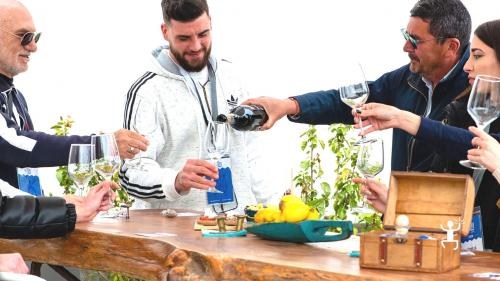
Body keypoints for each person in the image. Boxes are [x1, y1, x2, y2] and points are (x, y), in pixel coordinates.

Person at [244, 0, 471, 173]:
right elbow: (347, 102)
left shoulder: (480, 91)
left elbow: (478, 150)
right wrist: (289, 106)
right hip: (402, 218)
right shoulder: (406, 79)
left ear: (451, 47)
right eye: (406, 36)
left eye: (415, 41)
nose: (405, 47)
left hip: (454, 227)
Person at [118, 0, 279, 213]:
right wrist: (175, 181)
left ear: (211, 23)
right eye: (184, 38)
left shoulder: (232, 77)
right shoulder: (146, 92)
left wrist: (275, 210)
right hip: (177, 235)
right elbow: (131, 174)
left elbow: (253, 153)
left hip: (238, 227)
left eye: (203, 34)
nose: (195, 46)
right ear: (165, 31)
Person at [354, 19, 500, 251]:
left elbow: (480, 145)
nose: (467, 66)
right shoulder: (461, 112)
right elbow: (447, 214)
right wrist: (396, 207)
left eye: (478, 55)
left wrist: (405, 119)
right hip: (466, 264)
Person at [0, 0, 149, 189]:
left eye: (35, 37)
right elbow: (17, 147)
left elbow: (26, 167)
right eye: (24, 36)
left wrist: (55, 209)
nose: (33, 46)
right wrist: (101, 145)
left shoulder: (15, 95)